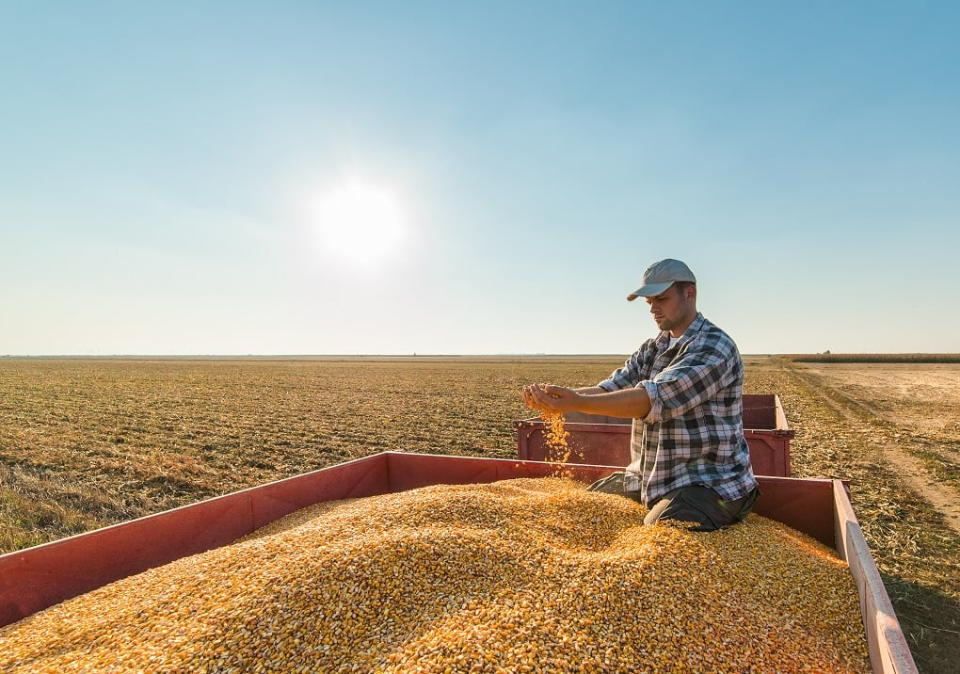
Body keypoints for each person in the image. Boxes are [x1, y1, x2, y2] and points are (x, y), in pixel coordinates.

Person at [521, 258, 759, 531]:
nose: (654, 309)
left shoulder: (714, 346)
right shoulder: (653, 348)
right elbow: (609, 389)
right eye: (649, 303)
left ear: (689, 293)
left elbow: (651, 399)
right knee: (586, 509)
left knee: (660, 532)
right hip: (653, 478)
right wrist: (560, 400)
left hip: (710, 484)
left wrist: (578, 402)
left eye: (661, 299)